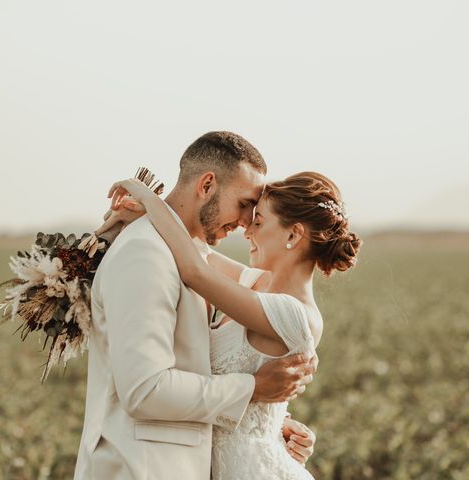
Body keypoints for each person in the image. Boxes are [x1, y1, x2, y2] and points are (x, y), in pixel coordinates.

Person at [74, 132, 317, 480]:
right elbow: (145, 390)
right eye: (246, 203)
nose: (247, 221)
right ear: (206, 185)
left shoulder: (184, 254)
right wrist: (252, 389)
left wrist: (271, 427)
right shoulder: (145, 254)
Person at [108, 169, 361, 479]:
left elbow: (195, 270)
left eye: (258, 222)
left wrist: (150, 200)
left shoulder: (292, 313)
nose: (247, 231)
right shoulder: (259, 287)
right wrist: (146, 221)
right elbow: (199, 253)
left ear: (293, 235)